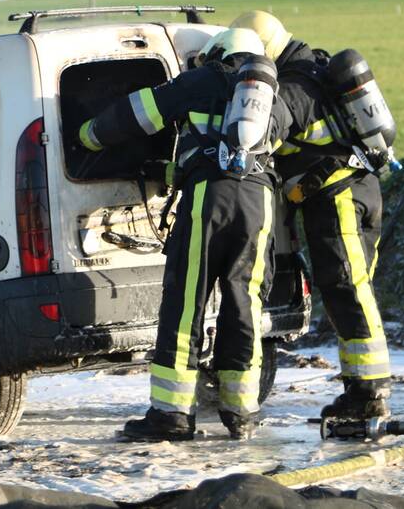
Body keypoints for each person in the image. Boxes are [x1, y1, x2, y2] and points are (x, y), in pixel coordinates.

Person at [77, 28, 290, 441]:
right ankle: (241, 412)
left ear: (218, 54)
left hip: (208, 201)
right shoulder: (271, 102)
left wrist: (88, 135)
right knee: (243, 301)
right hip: (259, 203)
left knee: (186, 299)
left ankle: (172, 415)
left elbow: (136, 114)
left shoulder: (202, 80)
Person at [231, 10, 394, 421]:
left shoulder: (292, 87)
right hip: (355, 190)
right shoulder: (314, 64)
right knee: (347, 290)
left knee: (348, 289)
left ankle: (369, 393)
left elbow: (266, 127)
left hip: (337, 197)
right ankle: (361, 389)